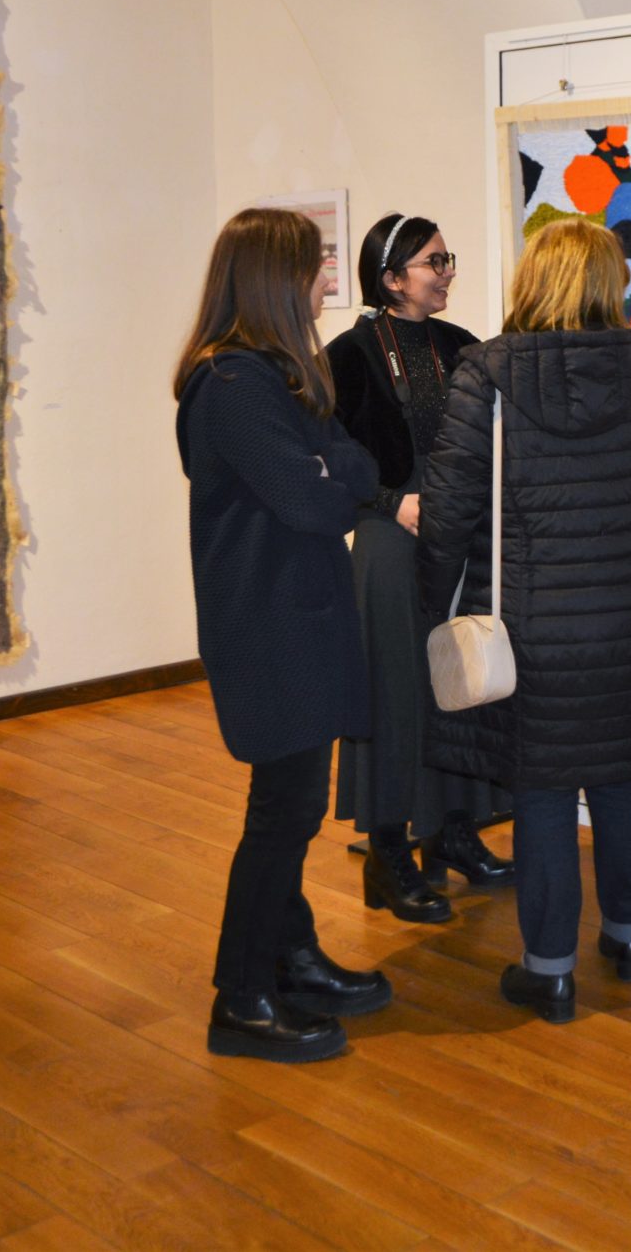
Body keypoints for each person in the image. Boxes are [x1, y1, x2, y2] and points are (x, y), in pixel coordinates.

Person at [417, 217, 631, 1024]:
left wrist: (430, 605)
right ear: (611, 282)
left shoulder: (485, 373)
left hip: (532, 633)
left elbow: (446, 512)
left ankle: (550, 971)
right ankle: (629, 936)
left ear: (532, 279)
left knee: (542, 793)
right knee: (620, 774)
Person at [175, 206, 388, 1063]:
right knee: (284, 811)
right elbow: (316, 500)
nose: (328, 277)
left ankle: (290, 958)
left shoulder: (280, 375)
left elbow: (358, 462)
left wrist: (334, 469)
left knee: (294, 806)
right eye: (316, 263)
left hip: (300, 616)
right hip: (268, 626)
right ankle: (241, 996)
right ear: (276, 279)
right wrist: (332, 473)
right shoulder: (233, 384)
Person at [324, 213, 513, 925]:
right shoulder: (346, 356)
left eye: (447, 258)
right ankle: (387, 852)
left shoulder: (461, 346)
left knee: (462, 691)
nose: (447, 271)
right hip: (389, 543)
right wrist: (388, 502)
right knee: (396, 696)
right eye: (435, 261)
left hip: (457, 541)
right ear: (392, 278)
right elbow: (324, 458)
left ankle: (454, 832)